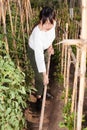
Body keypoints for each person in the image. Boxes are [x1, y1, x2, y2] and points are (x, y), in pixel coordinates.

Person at [28, 6, 56, 110]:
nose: (49, 26)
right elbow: (39, 56)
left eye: (51, 23)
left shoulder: (53, 24)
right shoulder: (37, 34)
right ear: (41, 21)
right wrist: (44, 75)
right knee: (40, 76)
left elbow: (51, 36)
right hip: (34, 51)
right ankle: (38, 99)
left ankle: (43, 92)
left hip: (44, 49)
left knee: (44, 70)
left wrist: (50, 46)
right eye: (46, 24)